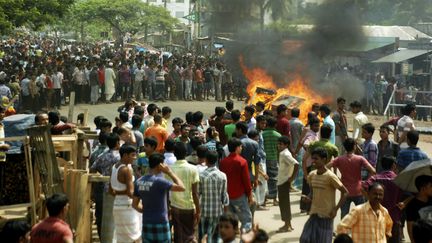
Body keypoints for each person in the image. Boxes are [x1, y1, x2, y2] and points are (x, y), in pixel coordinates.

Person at [132, 153, 185, 243]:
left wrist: (145, 210)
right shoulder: (160, 181)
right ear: (160, 165)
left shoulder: (139, 181)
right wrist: (169, 172)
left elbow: (134, 204)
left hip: (146, 222)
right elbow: (182, 187)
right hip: (161, 222)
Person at [299, 148, 348, 243]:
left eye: (316, 159)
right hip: (314, 214)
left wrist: (335, 209)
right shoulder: (312, 175)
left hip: (326, 215)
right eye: (312, 158)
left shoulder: (330, 176)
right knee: (305, 239)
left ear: (324, 159)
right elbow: (312, 193)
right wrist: (308, 198)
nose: (313, 161)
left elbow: (345, 192)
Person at [327, 138, 375, 218]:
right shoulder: (360, 159)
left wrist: (335, 178)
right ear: (354, 147)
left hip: (345, 191)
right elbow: (373, 171)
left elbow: (326, 167)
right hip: (358, 190)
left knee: (344, 217)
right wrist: (367, 182)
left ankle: (343, 230)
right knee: (361, 216)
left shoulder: (339, 159)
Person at [363, 156, 403, 243]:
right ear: (393, 165)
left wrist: (370, 199)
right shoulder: (399, 179)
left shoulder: (376, 178)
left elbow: (364, 187)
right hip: (394, 216)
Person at [90, 133, 120, 240]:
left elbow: (92, 169)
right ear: (117, 143)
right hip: (117, 190)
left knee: (102, 216)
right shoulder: (120, 157)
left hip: (103, 189)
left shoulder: (101, 156)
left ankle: (102, 238)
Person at [219, 138, 254, 231]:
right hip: (240, 195)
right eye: (241, 146)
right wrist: (250, 194)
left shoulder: (223, 162)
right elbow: (246, 180)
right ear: (237, 148)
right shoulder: (242, 161)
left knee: (231, 220)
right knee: (246, 220)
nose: (241, 148)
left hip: (227, 195)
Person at [169, 142, 200, 242]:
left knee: (178, 235)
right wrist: (198, 210)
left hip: (174, 206)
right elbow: (195, 193)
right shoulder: (193, 169)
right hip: (189, 207)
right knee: (190, 234)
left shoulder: (170, 169)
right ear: (186, 152)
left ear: (174, 153)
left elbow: (167, 191)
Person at [109, 145, 141, 242]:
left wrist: (119, 193)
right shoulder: (126, 170)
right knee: (134, 236)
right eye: (133, 155)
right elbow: (131, 193)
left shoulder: (114, 167)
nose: (135, 158)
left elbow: (111, 191)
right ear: (125, 155)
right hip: (127, 207)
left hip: (117, 205)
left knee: (122, 238)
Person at [199, 150, 229, 243]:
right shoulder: (222, 176)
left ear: (206, 160)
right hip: (217, 211)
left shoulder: (201, 175)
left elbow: (198, 193)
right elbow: (224, 196)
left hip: (204, 211)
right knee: (216, 237)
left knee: (204, 236)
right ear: (216, 160)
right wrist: (226, 213)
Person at [276, 136, 299, 233]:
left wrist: (292, 178)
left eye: (281, 144)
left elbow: (296, 164)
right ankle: (288, 224)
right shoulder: (283, 153)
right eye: (279, 144)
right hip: (282, 180)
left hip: (284, 182)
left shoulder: (285, 154)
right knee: (284, 204)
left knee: (284, 204)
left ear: (286, 145)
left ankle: (287, 225)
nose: (279, 146)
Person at [262, 116, 282, 205]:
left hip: (264, 159)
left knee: (264, 178)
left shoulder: (262, 134)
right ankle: (274, 199)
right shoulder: (278, 135)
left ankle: (265, 198)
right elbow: (279, 149)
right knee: (274, 179)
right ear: (275, 125)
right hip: (274, 158)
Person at [406, 175, 432, 243]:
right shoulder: (412, 205)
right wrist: (412, 240)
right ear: (423, 189)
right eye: (431, 186)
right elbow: (410, 225)